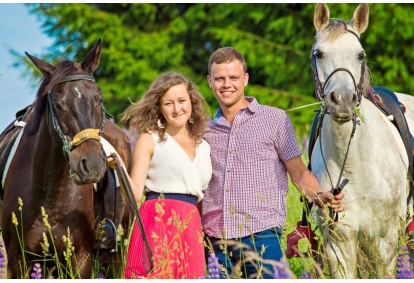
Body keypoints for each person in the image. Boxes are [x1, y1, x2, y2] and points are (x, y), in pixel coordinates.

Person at [201, 47, 345, 279]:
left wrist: (320, 196)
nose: (226, 84)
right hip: (215, 241)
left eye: (233, 78)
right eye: (219, 78)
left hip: (262, 237)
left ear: (245, 79)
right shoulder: (203, 130)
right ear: (210, 81)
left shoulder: (275, 119)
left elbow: (298, 173)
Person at [108, 72, 212, 279]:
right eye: (168, 103)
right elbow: (136, 193)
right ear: (159, 108)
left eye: (182, 101)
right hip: (157, 220)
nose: (177, 109)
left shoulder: (204, 146)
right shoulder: (150, 139)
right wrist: (119, 166)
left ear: (191, 102)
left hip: (191, 226)